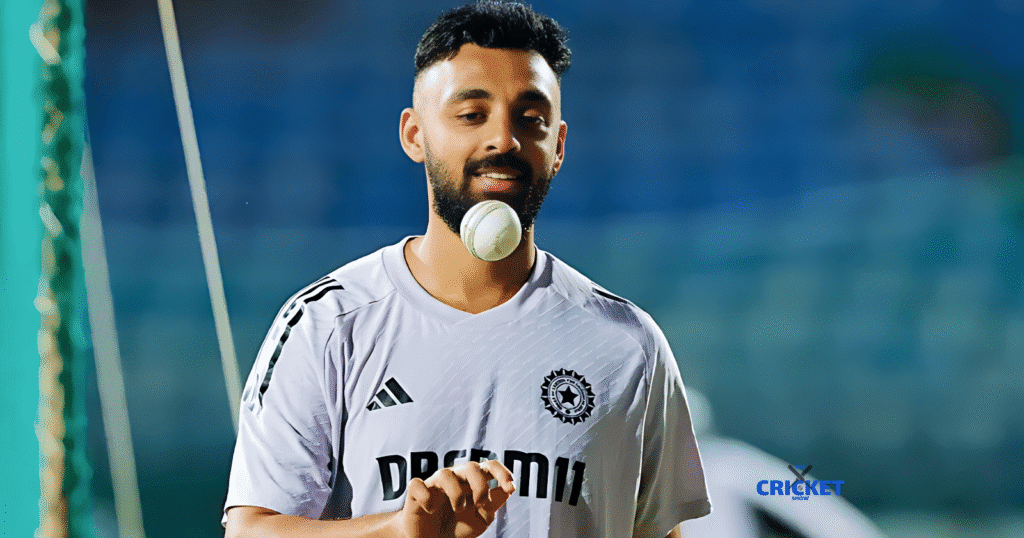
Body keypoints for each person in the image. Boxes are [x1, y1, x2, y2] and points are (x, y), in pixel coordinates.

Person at [223, 2, 710, 537]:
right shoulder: (327, 325)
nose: (503, 139)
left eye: (531, 118)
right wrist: (395, 530)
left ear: (559, 146)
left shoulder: (629, 345)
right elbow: (252, 530)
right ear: (414, 135)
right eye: (471, 114)